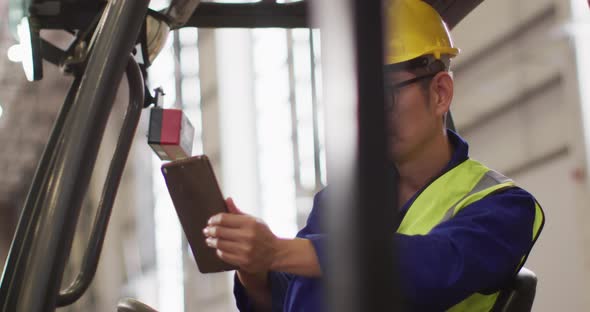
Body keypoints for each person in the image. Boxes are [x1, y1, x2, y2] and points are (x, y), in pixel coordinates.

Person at [202, 0, 545, 311]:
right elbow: (289, 299)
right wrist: (254, 268)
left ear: (440, 93)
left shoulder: (503, 208)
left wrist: (278, 251)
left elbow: (429, 270)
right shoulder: (340, 202)